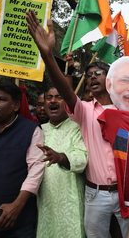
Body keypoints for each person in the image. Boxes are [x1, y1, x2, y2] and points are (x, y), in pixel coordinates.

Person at [26, 10, 129, 238]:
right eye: (88, 75)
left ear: (110, 80)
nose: (91, 77)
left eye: (98, 73)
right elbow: (65, 90)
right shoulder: (85, 111)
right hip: (95, 195)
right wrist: (47, 55)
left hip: (127, 193)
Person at [0, 81, 44, 237]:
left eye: (0, 99)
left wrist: (17, 205)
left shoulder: (31, 130)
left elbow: (36, 170)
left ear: (16, 106)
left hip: (17, 220)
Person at [36, 87, 88, 238]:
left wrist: (61, 158)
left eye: (59, 97)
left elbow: (81, 159)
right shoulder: (38, 130)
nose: (53, 101)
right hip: (44, 199)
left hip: (70, 201)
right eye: (49, 98)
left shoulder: (78, 128)